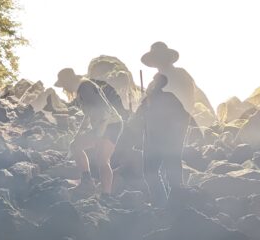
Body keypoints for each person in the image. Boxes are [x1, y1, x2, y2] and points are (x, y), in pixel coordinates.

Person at [134, 72, 191, 206]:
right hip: (158, 143)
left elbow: (183, 117)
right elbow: (138, 120)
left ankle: (168, 204)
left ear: (156, 84)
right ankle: (165, 204)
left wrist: (177, 139)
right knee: (155, 173)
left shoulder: (159, 99)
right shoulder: (150, 101)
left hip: (164, 143)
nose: (149, 84)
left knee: (158, 173)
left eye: (152, 82)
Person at [139, 42, 215, 125]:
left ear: (167, 58)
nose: (158, 61)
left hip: (180, 123)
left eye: (160, 57)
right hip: (159, 125)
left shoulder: (180, 74)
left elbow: (192, 99)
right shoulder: (153, 83)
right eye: (156, 58)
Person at [70, 79, 122, 197]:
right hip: (112, 123)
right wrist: (78, 134)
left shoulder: (85, 88)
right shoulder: (85, 89)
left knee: (101, 159)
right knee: (78, 147)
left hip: (109, 124)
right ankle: (98, 189)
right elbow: (88, 115)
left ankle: (92, 185)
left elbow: (105, 112)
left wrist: (99, 135)